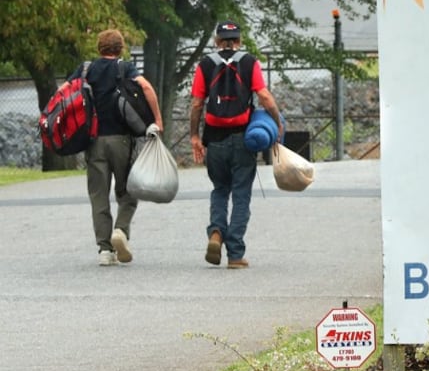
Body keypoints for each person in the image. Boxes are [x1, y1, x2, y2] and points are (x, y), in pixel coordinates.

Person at [57, 29, 164, 266]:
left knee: (98, 196)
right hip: (122, 141)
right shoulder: (124, 68)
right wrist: (157, 119)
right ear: (121, 48)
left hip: (94, 141)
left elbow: (62, 92)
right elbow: (145, 87)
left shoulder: (86, 70)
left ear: (99, 48)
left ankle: (104, 250)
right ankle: (121, 231)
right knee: (128, 192)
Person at [189, 20, 284, 269]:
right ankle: (235, 254)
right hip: (243, 138)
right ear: (239, 40)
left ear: (217, 41)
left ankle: (216, 232)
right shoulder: (250, 62)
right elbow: (263, 96)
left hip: (214, 138)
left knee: (220, 189)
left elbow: (197, 103)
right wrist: (278, 122)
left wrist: (194, 136)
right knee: (241, 195)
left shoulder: (206, 64)